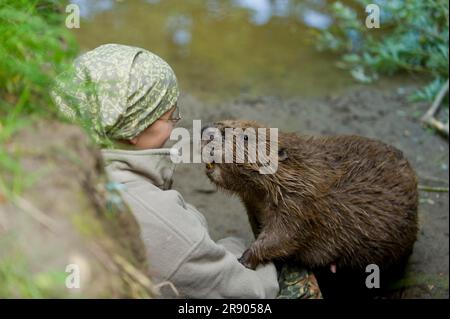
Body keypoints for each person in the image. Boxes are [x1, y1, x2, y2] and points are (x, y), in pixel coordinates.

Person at [52, 43, 321, 298]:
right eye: (170, 118)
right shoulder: (155, 218)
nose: (175, 126)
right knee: (300, 279)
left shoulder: (44, 157)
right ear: (134, 130)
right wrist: (238, 246)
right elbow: (244, 292)